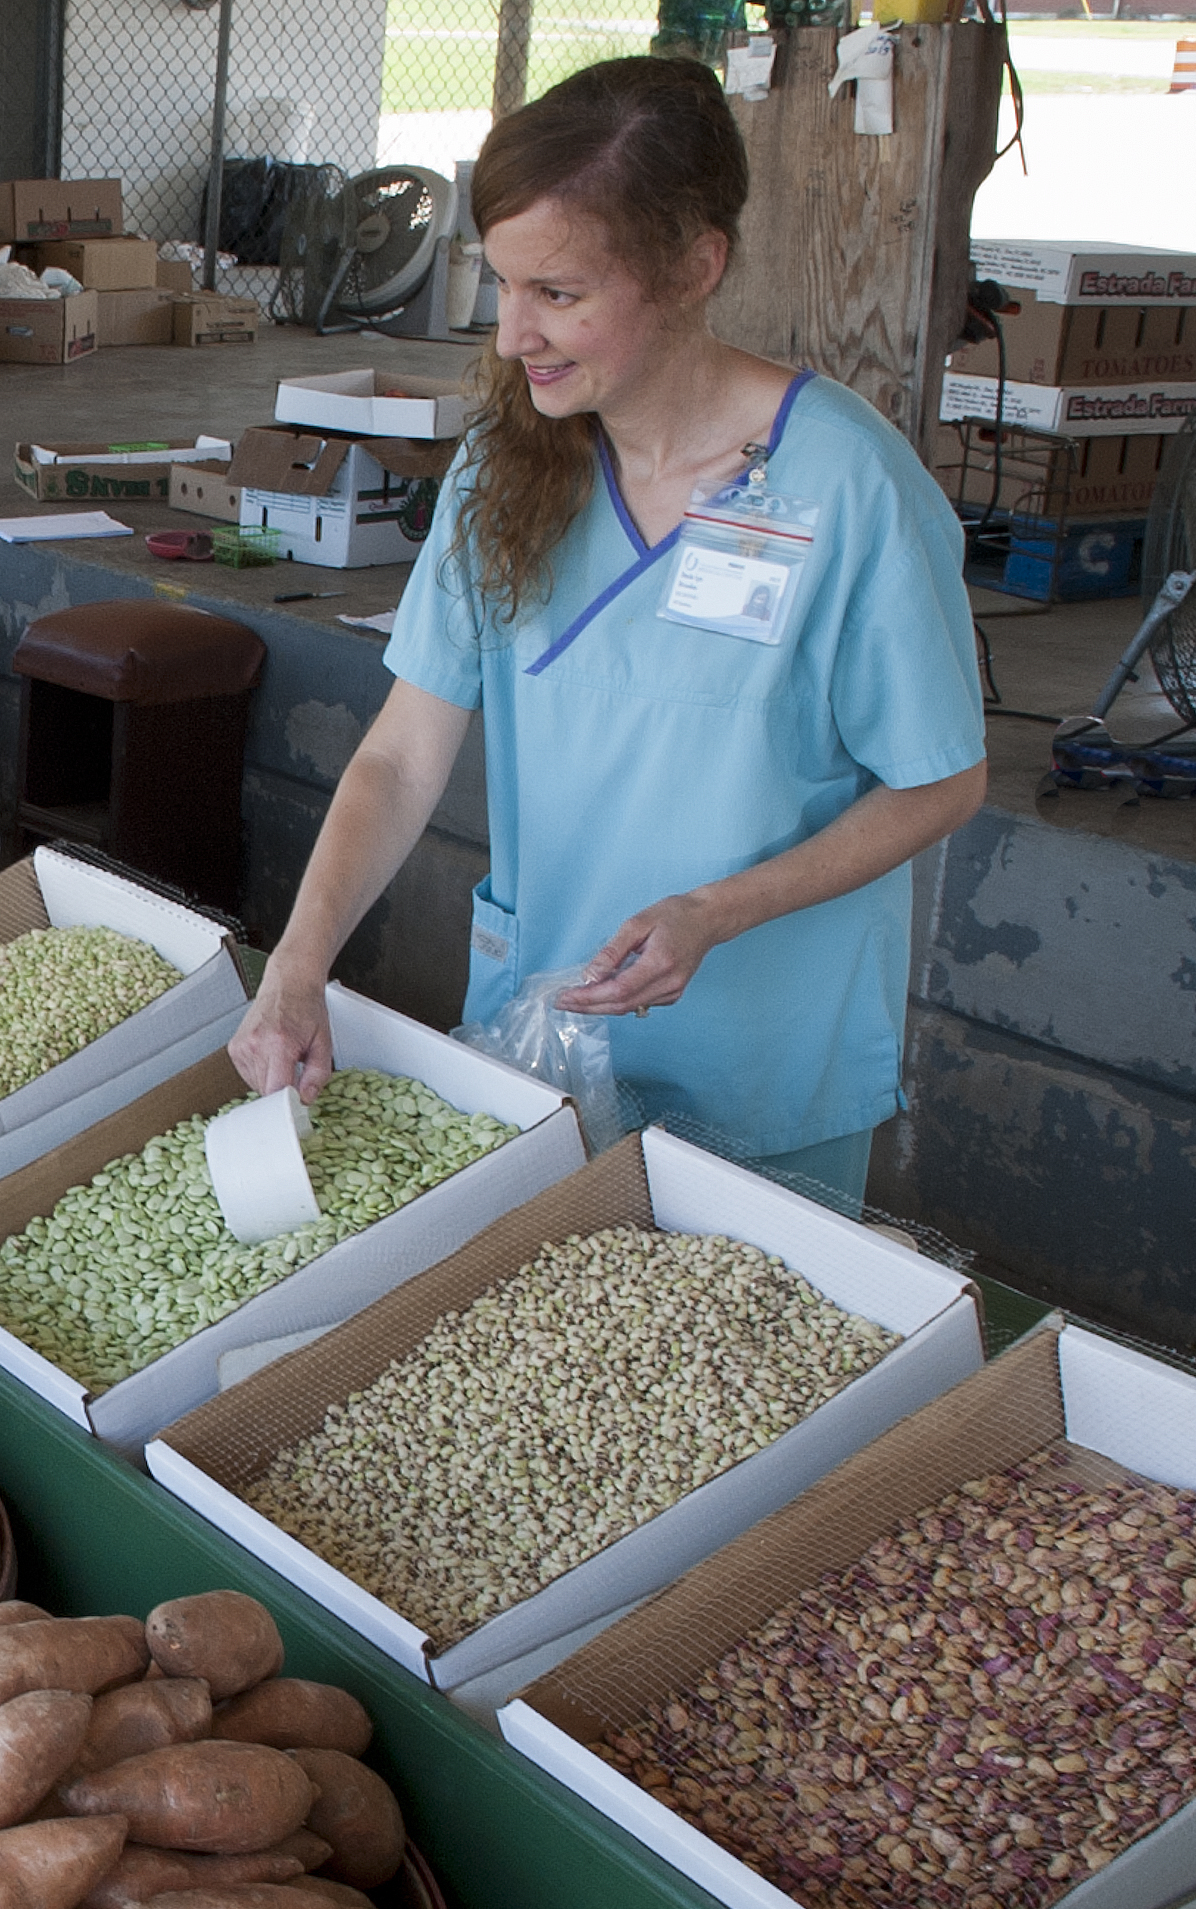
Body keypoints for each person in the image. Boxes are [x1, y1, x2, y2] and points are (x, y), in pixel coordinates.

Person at [229, 54, 988, 1206]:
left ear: (693, 267)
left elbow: (939, 781)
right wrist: (297, 964)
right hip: (543, 1045)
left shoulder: (847, 486)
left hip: (764, 1059)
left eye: (561, 295)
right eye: (503, 284)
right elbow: (398, 752)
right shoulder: (505, 463)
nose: (510, 335)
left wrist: (716, 913)